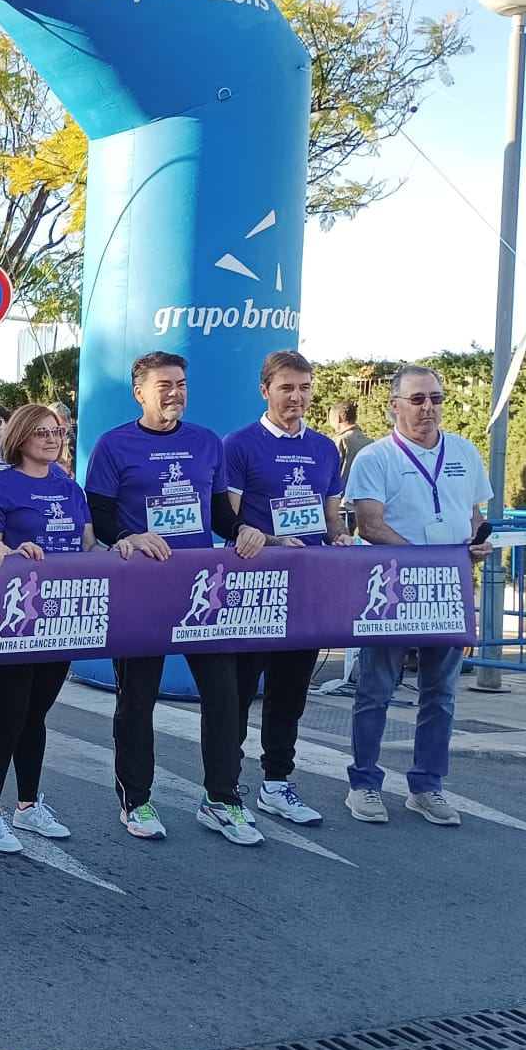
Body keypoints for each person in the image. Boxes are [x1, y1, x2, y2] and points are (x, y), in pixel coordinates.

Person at [85, 351, 263, 846]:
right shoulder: (114, 444)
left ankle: (222, 799)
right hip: (141, 589)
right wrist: (128, 536)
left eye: (181, 384)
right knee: (137, 699)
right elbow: (96, 512)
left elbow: (216, 515)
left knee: (225, 696)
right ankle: (136, 799)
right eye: (164, 385)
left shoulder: (207, 442)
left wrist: (244, 530)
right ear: (140, 392)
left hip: (199, 588)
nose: (174, 393)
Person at [344, 364, 495, 826]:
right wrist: (421, 561)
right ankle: (364, 785)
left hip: (447, 591)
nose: (428, 407)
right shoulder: (375, 458)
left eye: (435, 398)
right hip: (392, 588)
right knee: (376, 688)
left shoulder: (465, 453)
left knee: (441, 693)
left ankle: (427, 786)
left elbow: (471, 513)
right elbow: (368, 523)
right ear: (394, 405)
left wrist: (475, 544)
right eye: (417, 399)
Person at [221, 351, 351, 830]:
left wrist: (339, 536)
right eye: (286, 388)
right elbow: (229, 522)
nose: (296, 398)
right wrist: (271, 540)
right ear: (265, 390)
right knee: (238, 692)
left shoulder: (323, 448)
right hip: (255, 586)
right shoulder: (239, 444)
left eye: (304, 388)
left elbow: (331, 516)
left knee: (289, 693)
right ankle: (225, 788)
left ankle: (277, 783)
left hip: (306, 587)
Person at [0, 401, 98, 852]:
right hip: (13, 618)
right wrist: (9, 550)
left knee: (36, 716)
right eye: (42, 431)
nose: (52, 438)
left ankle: (27, 806)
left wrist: (126, 546)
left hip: (61, 616)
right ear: (21, 436)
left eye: (58, 431)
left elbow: (89, 546)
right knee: (8, 717)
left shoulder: (69, 487)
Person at [332, 400, 370, 490]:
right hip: (367, 499)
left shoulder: (339, 441)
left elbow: (328, 474)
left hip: (341, 500)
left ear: (338, 418)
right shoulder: (371, 442)